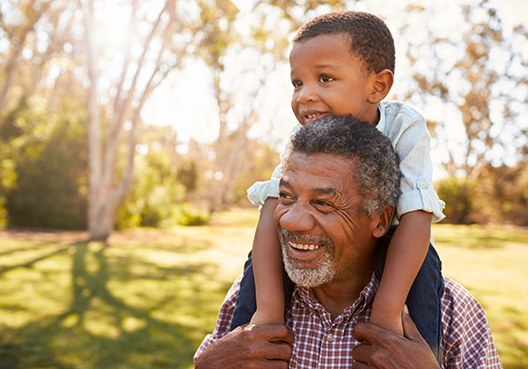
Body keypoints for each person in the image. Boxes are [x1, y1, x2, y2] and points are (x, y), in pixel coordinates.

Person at [194, 115, 502, 368]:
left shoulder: (451, 311)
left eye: (324, 204)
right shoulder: (250, 297)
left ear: (380, 219)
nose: (290, 220)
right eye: (286, 197)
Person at [231, 10, 446, 358]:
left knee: (425, 269)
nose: (304, 96)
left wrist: (386, 313)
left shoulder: (404, 126)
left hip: (395, 240)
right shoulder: (302, 138)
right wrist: (267, 311)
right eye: (297, 83)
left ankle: (415, 355)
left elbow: (417, 214)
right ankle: (243, 353)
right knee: (258, 263)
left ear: (377, 86)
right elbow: (273, 206)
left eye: (325, 78)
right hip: (327, 249)